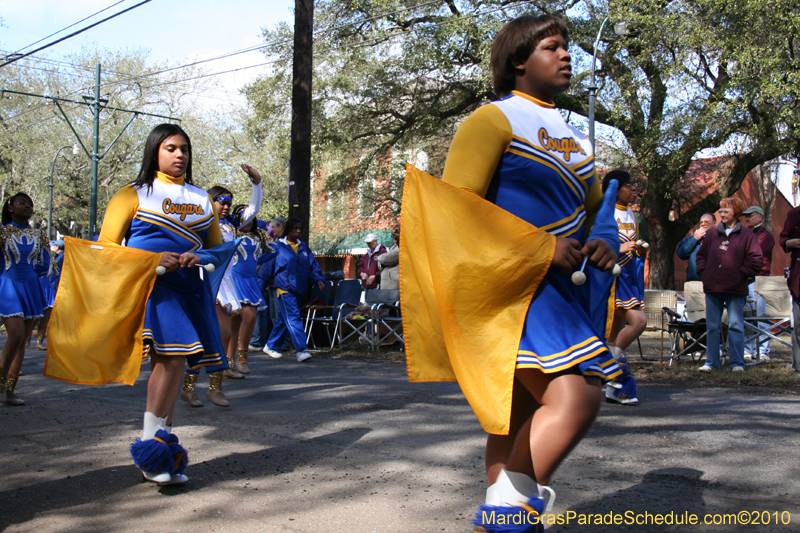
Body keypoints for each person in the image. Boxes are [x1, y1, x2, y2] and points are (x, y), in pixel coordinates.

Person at [402, 15, 621, 532]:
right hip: (513, 291)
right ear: (519, 60)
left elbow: (593, 213)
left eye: (568, 46)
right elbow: (455, 213)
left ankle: (500, 514)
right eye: (552, 46)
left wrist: (605, 238)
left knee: (518, 412)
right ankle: (503, 515)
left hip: (561, 291)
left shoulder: (577, 139)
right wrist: (541, 245)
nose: (566, 55)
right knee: (580, 391)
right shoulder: (492, 120)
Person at [98, 123, 227, 484]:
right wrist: (152, 262)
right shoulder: (132, 193)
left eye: (184, 148)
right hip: (152, 287)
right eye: (171, 147)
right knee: (171, 357)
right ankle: (150, 448)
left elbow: (217, 250)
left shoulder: (202, 197)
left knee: (180, 362)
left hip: (190, 290)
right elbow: (107, 247)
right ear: (155, 150)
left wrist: (198, 258)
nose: (179, 154)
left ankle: (163, 448)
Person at [180, 171, 262, 407]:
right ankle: (210, 389)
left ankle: (195, 387)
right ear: (210, 202)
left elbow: (253, 211)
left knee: (213, 335)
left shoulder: (231, 226)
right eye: (221, 202)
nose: (226, 207)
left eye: (228, 203)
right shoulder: (201, 224)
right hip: (205, 282)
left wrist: (257, 183)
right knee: (222, 333)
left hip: (226, 284)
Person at [695, 197, 763, 373]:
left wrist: (741, 274)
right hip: (713, 287)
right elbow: (700, 256)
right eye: (721, 211)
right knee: (712, 326)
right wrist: (704, 271)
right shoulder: (712, 235)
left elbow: (756, 259)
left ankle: (737, 363)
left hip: (736, 288)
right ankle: (711, 362)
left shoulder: (747, 235)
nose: (722, 214)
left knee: (735, 325)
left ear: (736, 213)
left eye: (726, 211)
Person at [0, 193, 50, 406]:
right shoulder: (2, 233)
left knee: (22, 342)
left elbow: (45, 264)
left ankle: (10, 391)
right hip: (8, 285)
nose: (27, 206)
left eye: (30, 203)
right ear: (10, 207)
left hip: (30, 287)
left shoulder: (39, 235)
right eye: (22, 203)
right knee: (16, 334)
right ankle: (1, 384)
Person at [603, 170, 645, 405]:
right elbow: (591, 241)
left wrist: (639, 249)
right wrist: (617, 249)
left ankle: (615, 388)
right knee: (639, 322)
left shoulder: (633, 215)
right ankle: (607, 368)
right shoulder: (603, 212)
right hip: (610, 278)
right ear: (615, 188)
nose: (633, 189)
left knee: (613, 335)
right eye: (629, 185)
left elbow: (631, 245)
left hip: (628, 277)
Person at [260, 217, 325, 362]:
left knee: (285, 319)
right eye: (295, 228)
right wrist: (258, 291)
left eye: (300, 229)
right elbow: (265, 271)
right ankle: (301, 350)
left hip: (299, 288)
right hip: (284, 288)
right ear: (288, 229)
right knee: (294, 317)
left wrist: (319, 279)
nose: (298, 231)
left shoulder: (304, 248)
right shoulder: (277, 247)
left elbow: (313, 267)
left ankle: (270, 346)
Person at [228, 206, 272, 374]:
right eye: (243, 218)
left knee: (248, 317)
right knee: (235, 323)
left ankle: (242, 358)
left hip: (250, 280)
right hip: (234, 279)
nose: (247, 222)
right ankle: (230, 362)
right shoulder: (231, 234)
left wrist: (257, 260)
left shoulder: (258, 236)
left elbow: (273, 250)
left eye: (250, 218)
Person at [742, 205, 775, 361]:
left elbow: (754, 254)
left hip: (758, 280)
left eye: (750, 216)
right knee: (747, 317)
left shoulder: (765, 236)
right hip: (745, 280)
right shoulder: (745, 234)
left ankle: (763, 351)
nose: (747, 218)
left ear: (760, 217)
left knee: (760, 318)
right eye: (746, 216)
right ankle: (748, 350)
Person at [249, 216, 285, 351]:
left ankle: (272, 343)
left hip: (271, 281)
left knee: (274, 314)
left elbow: (267, 263)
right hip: (263, 281)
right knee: (266, 313)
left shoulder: (274, 243)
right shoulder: (258, 242)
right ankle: (262, 341)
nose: (271, 230)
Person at [779, 205, 800, 376]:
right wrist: (789, 243)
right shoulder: (795, 213)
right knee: (799, 325)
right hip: (799, 278)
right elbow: (783, 239)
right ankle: (799, 365)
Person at [677, 213, 716, 282]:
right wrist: (695, 239)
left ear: (714, 223)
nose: (703, 224)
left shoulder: (721, 239)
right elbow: (681, 254)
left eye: (706, 222)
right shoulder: (691, 239)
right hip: (695, 282)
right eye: (701, 222)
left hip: (714, 283)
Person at [377, 220, 400, 291]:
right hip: (387, 284)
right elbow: (380, 263)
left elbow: (386, 258)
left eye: (397, 231)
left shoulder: (401, 247)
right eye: (393, 232)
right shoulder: (394, 246)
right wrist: (381, 262)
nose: (393, 234)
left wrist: (379, 258)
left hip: (393, 285)